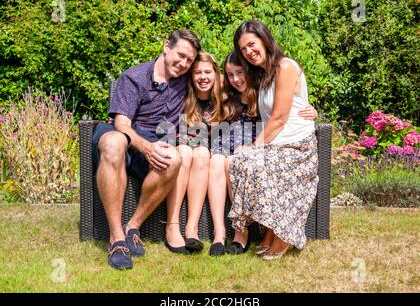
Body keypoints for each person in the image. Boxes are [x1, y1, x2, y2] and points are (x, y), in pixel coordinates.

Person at [92, 29, 201, 269]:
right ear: (166, 47)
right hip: (125, 134)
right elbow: (121, 123)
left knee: (173, 158)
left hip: (155, 140)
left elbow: (220, 81)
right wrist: (146, 147)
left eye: (189, 60)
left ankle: (133, 226)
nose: (183, 64)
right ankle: (116, 239)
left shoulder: (185, 80)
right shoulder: (134, 77)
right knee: (114, 142)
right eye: (180, 55)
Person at [226, 20, 319, 260]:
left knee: (249, 160)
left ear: (265, 41)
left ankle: (284, 233)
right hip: (277, 144)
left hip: (298, 146)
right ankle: (268, 228)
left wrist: (254, 147)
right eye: (243, 49)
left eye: (251, 44)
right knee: (239, 163)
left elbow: (278, 118)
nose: (248, 52)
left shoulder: (285, 67)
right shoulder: (262, 74)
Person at [165, 51, 227, 256]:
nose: (203, 77)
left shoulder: (225, 95)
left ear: (216, 74)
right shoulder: (182, 95)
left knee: (202, 153)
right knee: (189, 151)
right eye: (197, 72)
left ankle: (192, 229)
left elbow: (254, 95)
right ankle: (175, 226)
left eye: (208, 72)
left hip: (211, 153)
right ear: (190, 76)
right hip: (186, 149)